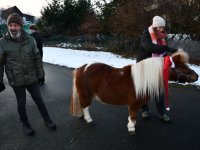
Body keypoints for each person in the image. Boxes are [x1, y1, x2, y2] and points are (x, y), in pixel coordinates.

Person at [0, 13, 56, 135]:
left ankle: (47, 120)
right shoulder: (3, 43)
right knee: (21, 103)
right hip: (16, 80)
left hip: (32, 77)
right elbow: (0, 64)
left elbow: (37, 58)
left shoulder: (30, 40)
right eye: (10, 25)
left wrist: (41, 74)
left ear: (21, 25)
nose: (12, 28)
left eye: (15, 25)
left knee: (39, 99)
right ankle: (26, 125)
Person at [136, 16, 177, 123]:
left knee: (159, 90)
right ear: (155, 26)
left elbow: (162, 51)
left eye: (163, 27)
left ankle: (161, 113)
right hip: (144, 64)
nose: (162, 29)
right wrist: (166, 48)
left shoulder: (161, 37)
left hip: (157, 66)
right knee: (145, 89)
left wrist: (168, 56)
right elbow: (149, 47)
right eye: (160, 27)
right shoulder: (146, 33)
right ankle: (144, 110)